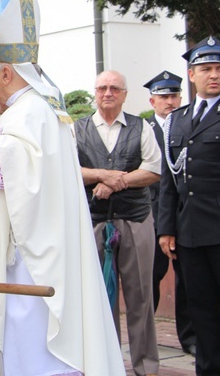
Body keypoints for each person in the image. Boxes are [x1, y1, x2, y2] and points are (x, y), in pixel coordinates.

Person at [0, 0, 124, 376]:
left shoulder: (32, 111)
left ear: (5, 73)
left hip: (31, 261)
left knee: (30, 348)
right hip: (28, 249)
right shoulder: (31, 111)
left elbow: (7, 169)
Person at [159, 36, 220, 375]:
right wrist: (166, 229)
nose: (214, 75)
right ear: (191, 74)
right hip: (190, 235)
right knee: (203, 314)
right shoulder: (177, 119)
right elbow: (170, 179)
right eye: (205, 69)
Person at [74, 70, 161, 376]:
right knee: (100, 300)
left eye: (114, 88)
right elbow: (70, 169)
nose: (107, 93)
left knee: (141, 300)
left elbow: (153, 170)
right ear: (94, 93)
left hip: (135, 220)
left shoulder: (142, 127)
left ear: (125, 94)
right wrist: (101, 175)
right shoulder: (77, 129)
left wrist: (115, 182)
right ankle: (106, 367)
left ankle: (146, 368)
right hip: (94, 222)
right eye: (101, 88)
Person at [143, 71, 197, 357]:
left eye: (174, 95)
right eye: (164, 97)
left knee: (188, 279)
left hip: (185, 214)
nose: (170, 101)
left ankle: (190, 338)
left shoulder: (190, 125)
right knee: (150, 276)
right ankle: (146, 336)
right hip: (152, 214)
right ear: (152, 101)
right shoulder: (144, 129)